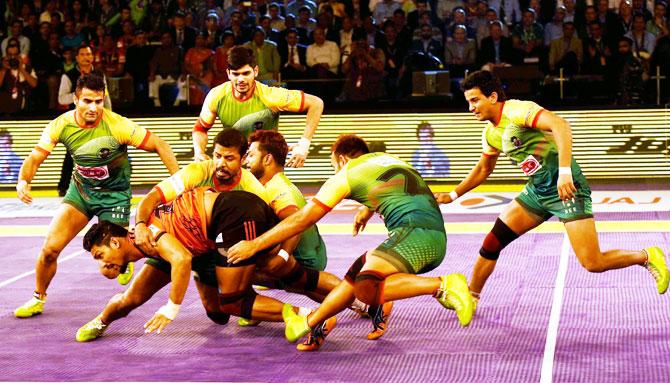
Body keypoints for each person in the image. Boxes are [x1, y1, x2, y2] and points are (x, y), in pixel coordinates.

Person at [433, 70, 669, 309]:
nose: (471, 108)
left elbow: (561, 126)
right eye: (468, 102)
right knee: (493, 241)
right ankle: (471, 297)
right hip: (537, 192)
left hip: (568, 189)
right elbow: (484, 168)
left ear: (492, 97)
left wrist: (565, 173)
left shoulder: (517, 111)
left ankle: (647, 256)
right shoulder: (490, 134)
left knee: (593, 262)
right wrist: (452, 195)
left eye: (475, 100)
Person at [227, 134, 475, 351]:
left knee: (365, 287)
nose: (334, 170)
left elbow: (301, 220)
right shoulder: (386, 159)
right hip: (431, 234)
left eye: (334, 164)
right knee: (352, 278)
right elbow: (403, 188)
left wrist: (255, 245)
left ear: (342, 159)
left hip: (414, 236)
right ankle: (313, 322)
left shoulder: (345, 175)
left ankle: (442, 285)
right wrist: (368, 210)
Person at [133, 128, 342, 324]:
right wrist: (141, 224)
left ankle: (323, 310)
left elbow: (293, 221)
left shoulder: (258, 187)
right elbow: (153, 197)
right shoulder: (198, 171)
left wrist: (281, 255)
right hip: (200, 244)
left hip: (277, 249)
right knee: (218, 313)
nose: (221, 163)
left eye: (230, 158)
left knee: (245, 293)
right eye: (217, 156)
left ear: (243, 160)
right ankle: (344, 301)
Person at [13, 73, 179, 319]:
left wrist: (178, 183)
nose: (93, 107)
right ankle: (38, 298)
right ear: (75, 99)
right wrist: (24, 181)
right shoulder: (61, 124)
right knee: (49, 249)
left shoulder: (117, 125)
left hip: (114, 197)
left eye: (98, 102)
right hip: (80, 192)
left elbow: (160, 144)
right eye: (87, 101)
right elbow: (36, 156)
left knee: (112, 271)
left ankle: (128, 257)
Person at [76, 188, 310, 341]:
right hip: (200, 247)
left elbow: (181, 259)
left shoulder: (151, 234)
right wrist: (112, 268)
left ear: (116, 244)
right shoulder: (140, 241)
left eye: (99, 255)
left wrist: (171, 309)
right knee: (218, 314)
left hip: (230, 217)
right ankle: (100, 322)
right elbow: (175, 259)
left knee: (236, 297)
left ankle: (310, 313)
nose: (102, 262)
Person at [192, 45, 323, 168]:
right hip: (236, 167)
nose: (241, 79)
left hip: (266, 168)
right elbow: (200, 129)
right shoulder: (216, 95)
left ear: (255, 71)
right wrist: (199, 152)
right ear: (228, 74)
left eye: (245, 73)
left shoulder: (271, 96)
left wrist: (304, 146)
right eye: (236, 74)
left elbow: (316, 103)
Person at [57, 46, 112, 197]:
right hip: (76, 119)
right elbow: (61, 98)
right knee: (72, 154)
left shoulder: (99, 75)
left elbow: (105, 97)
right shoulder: (68, 76)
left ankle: (100, 185)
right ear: (77, 58)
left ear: (92, 57)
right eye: (82, 54)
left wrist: (110, 116)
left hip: (96, 118)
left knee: (100, 153)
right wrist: (80, 96)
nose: (86, 57)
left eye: (88, 54)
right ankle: (63, 187)